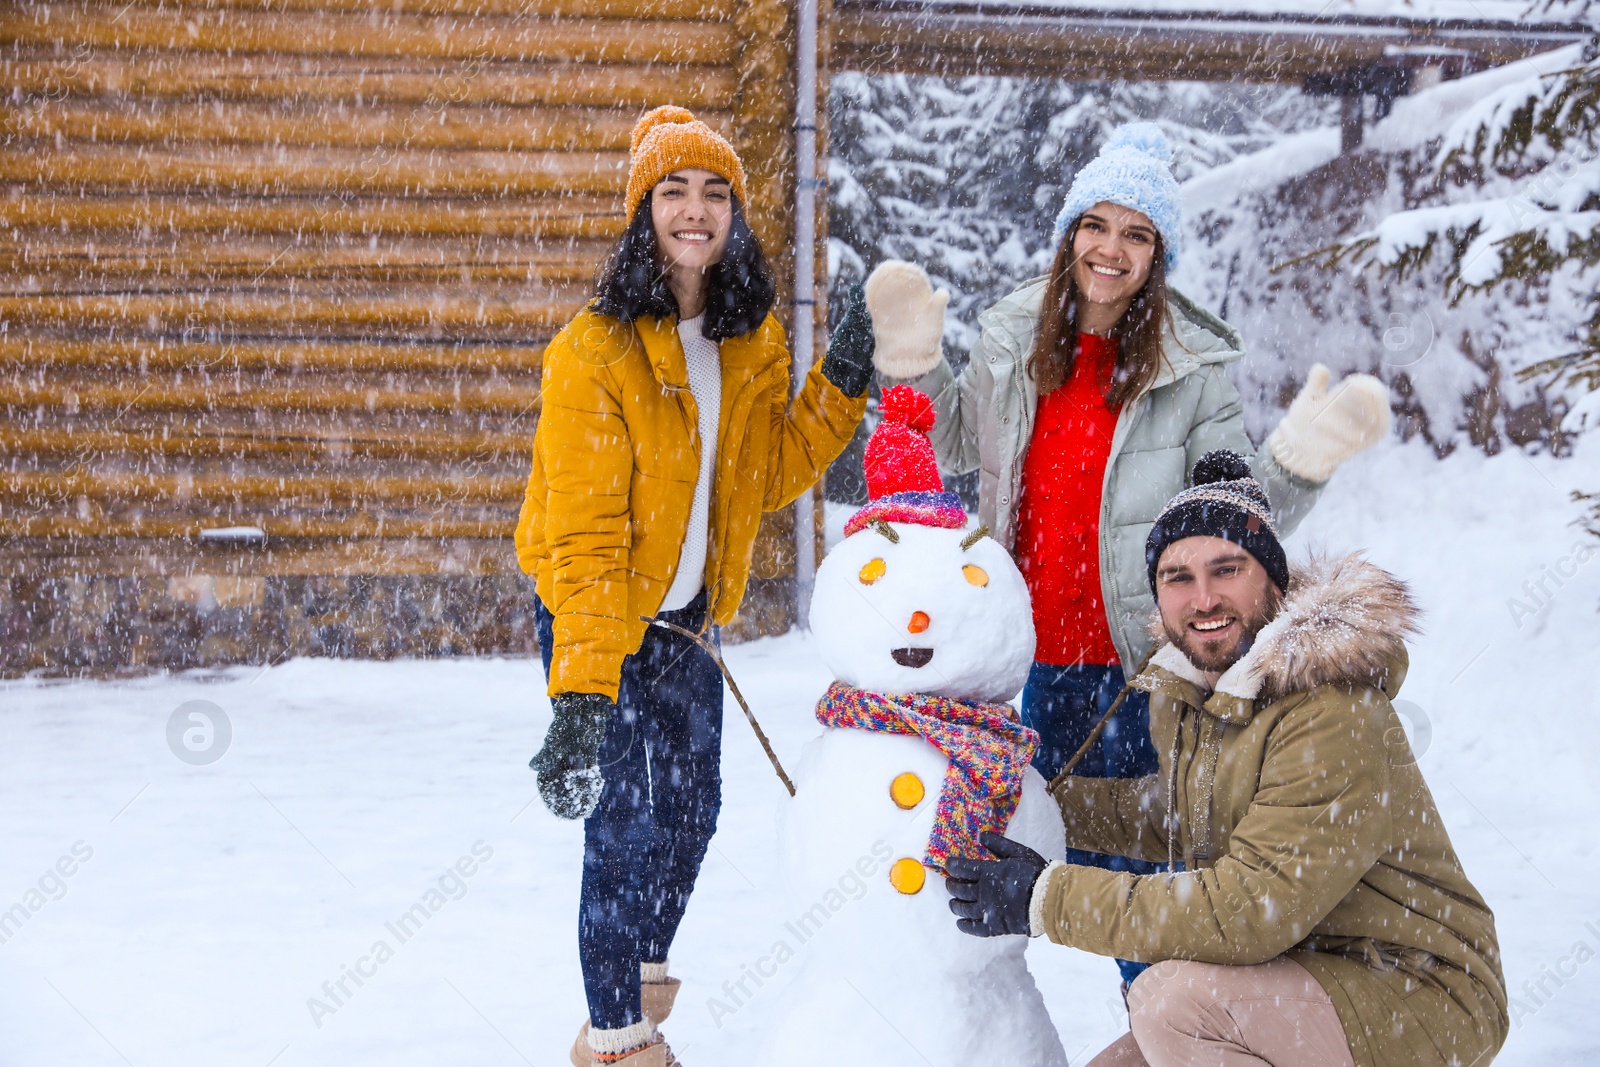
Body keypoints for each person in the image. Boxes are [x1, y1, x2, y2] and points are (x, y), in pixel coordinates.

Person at [863, 123, 1390, 985]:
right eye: (1096, 225)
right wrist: (913, 361)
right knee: (1000, 867)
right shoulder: (1013, 341)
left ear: (1158, 255)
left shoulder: (1188, 371)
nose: (1111, 249)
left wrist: (1302, 457)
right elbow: (953, 439)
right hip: (1029, 663)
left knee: (1152, 887)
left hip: (1142, 671)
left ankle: (1169, 1029)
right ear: (1071, 232)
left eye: (1136, 234)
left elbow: (1237, 508)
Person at [944, 450, 1508, 1067]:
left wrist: (1042, 899)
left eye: (1227, 569)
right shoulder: (1201, 692)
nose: (1203, 597)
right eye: (1178, 577)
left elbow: (1246, 910)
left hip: (1418, 990)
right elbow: (1169, 816)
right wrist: (1019, 799)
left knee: (1169, 1002)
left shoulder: (1332, 711)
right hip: (1302, 973)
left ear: (1273, 579)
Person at [514, 106, 873, 1067]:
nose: (695, 208)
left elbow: (765, 473)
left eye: (715, 192)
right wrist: (582, 697)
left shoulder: (747, 343)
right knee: (622, 821)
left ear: (734, 217)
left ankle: (630, 977)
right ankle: (621, 1038)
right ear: (644, 211)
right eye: (673, 190)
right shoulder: (592, 353)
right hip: (595, 613)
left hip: (684, 623)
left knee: (695, 808)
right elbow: (587, 542)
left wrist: (839, 385)